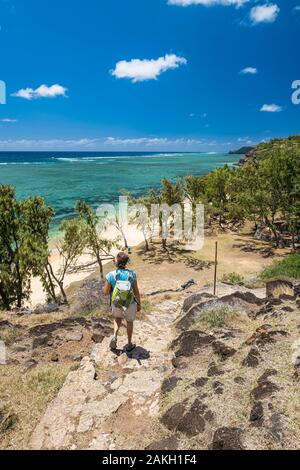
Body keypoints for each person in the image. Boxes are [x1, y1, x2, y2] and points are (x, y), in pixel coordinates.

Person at [103, 252, 141, 352]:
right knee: (129, 322)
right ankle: (129, 344)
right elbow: (136, 291)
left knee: (117, 319)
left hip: (116, 302)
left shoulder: (110, 275)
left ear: (116, 262)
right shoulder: (132, 274)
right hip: (130, 303)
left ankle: (115, 336)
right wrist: (139, 304)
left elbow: (105, 292)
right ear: (126, 262)